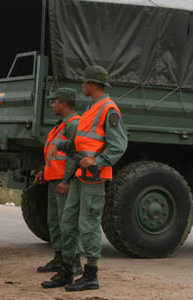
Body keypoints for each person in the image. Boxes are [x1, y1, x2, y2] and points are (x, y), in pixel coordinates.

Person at [49, 66, 128, 291]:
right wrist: (63, 145)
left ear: (92, 84)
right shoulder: (92, 108)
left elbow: (119, 144)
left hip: (93, 177)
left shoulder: (108, 109)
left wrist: (98, 161)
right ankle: (66, 270)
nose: (81, 87)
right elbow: (83, 143)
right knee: (68, 222)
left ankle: (91, 275)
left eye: (83, 83)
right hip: (79, 175)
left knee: (88, 224)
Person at [37, 88, 83, 288]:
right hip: (53, 178)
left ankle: (74, 263)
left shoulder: (73, 125)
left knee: (68, 223)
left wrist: (66, 180)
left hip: (64, 181)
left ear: (63, 103)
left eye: (54, 101)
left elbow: (75, 156)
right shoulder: (60, 125)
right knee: (54, 222)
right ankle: (59, 258)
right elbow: (53, 153)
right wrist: (43, 170)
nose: (51, 105)